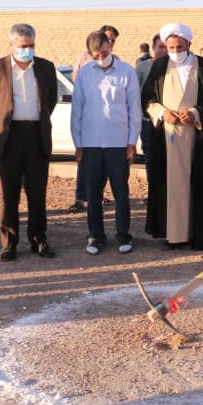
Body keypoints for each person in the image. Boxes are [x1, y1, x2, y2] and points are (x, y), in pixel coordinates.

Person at [0, 23, 57, 261]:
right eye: (23, 46)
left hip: (36, 136)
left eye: (31, 45)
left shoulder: (45, 68)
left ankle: (38, 240)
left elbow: (51, 101)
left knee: (37, 193)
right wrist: (2, 126)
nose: (27, 49)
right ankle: (9, 242)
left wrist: (36, 121)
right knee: (8, 194)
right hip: (9, 138)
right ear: (11, 44)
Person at [142, 23, 203, 250]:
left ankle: (198, 235)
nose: (175, 51)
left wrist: (195, 113)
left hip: (197, 137)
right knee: (169, 186)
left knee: (197, 185)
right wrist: (162, 112)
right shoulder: (159, 68)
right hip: (166, 138)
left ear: (188, 44)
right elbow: (147, 98)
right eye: (171, 47)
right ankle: (172, 235)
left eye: (179, 46)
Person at [72, 31, 141, 255]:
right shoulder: (84, 74)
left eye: (103, 53)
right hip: (91, 145)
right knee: (93, 193)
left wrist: (132, 141)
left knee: (121, 191)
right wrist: (78, 143)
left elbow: (134, 110)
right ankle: (95, 236)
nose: (100, 58)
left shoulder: (126, 71)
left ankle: (123, 235)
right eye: (96, 55)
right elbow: (77, 111)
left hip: (118, 143)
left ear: (110, 47)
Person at [70, 24, 120, 214]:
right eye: (108, 38)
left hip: (109, 126)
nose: (111, 43)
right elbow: (78, 90)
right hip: (88, 122)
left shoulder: (119, 64)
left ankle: (97, 194)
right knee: (85, 162)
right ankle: (82, 196)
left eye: (113, 41)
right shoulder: (84, 60)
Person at [135, 34, 168, 178]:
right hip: (147, 121)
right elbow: (135, 93)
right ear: (153, 48)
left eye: (167, 47)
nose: (164, 50)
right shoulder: (142, 67)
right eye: (160, 47)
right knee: (150, 156)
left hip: (169, 121)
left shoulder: (174, 68)